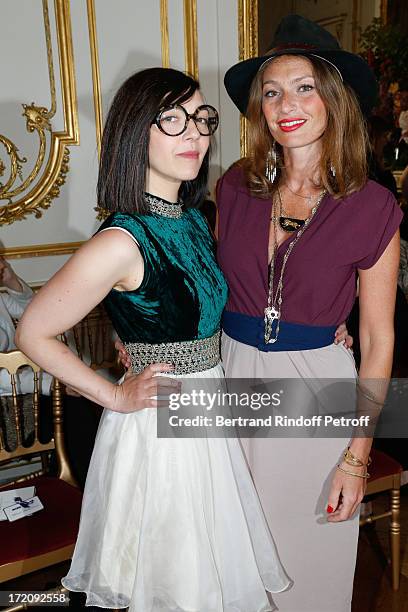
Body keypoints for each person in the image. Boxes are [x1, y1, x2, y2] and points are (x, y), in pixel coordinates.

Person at [16, 67, 292, 611]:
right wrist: (115, 394)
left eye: (201, 118)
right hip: (163, 435)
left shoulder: (190, 219)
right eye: (173, 119)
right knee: (178, 587)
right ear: (135, 130)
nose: (194, 133)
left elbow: (184, 306)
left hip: (205, 414)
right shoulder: (122, 238)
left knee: (204, 580)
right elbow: (33, 332)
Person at [218, 15, 402, 612]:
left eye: (304, 87)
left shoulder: (373, 206)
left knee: (308, 575)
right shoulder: (234, 188)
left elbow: (377, 339)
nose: (285, 104)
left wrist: (358, 454)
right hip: (228, 379)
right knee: (227, 562)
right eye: (271, 92)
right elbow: (205, 286)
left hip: (315, 390)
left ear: (334, 99)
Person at [0, 257, 52, 395]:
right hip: (10, 400)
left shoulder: (1, 300)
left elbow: (38, 314)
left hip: (25, 385)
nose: (2, 265)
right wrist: (51, 382)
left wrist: (12, 281)